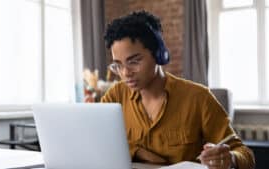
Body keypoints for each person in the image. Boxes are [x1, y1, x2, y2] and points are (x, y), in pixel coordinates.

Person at [101, 10, 255, 169]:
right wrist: (138, 151)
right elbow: (98, 143)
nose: (125, 73)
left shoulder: (198, 98)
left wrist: (229, 158)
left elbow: (245, 154)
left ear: (158, 54)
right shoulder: (114, 97)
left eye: (134, 61)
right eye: (118, 65)